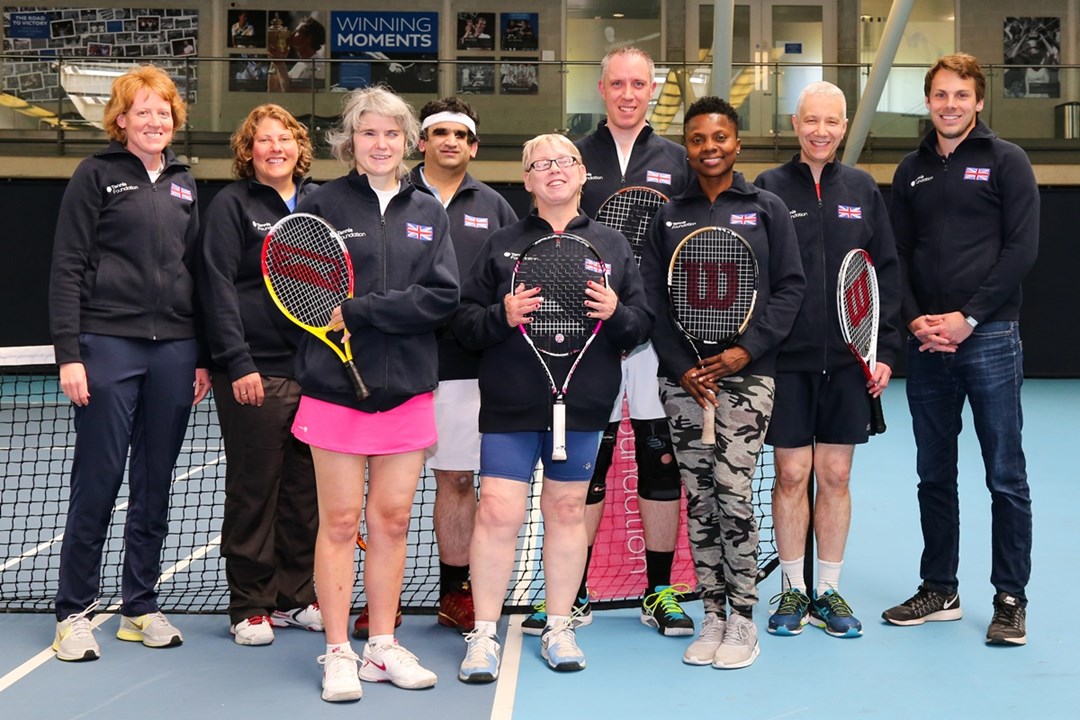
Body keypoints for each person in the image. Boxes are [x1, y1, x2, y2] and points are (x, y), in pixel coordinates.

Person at [455, 134, 653, 682]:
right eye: (539, 164)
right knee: (497, 510)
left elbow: (638, 328)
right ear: (527, 180)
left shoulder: (612, 246)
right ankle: (485, 634)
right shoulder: (500, 245)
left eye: (564, 161)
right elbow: (465, 324)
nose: (554, 170)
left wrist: (616, 311)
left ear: (582, 172)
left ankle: (560, 625)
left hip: (583, 405)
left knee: (567, 512)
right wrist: (503, 314)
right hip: (511, 404)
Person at [292, 86, 458, 702]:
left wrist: (359, 311)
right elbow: (302, 293)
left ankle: (382, 645)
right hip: (336, 388)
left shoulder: (429, 209)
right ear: (350, 141)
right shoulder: (321, 205)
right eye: (369, 134)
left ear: (408, 142)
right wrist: (338, 315)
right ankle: (338, 650)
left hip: (407, 390)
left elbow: (441, 297)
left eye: (391, 134)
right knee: (338, 523)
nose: (380, 144)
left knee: (390, 521)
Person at [520, 45, 692, 638]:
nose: (627, 93)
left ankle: (662, 589)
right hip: (577, 342)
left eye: (638, 83)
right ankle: (577, 592)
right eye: (616, 82)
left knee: (657, 459)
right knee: (583, 471)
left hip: (652, 336)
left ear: (652, 89)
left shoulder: (677, 158)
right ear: (601, 88)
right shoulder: (573, 156)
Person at [48, 65, 209, 662]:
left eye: (164, 112)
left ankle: (138, 605)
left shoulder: (188, 184)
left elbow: (198, 276)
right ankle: (73, 612)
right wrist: (70, 353)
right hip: (106, 343)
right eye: (143, 111)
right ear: (121, 120)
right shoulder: (94, 175)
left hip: (176, 348)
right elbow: (67, 265)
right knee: (100, 476)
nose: (155, 120)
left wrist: (202, 358)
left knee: (155, 480)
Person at [639, 96, 805, 669]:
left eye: (719, 138)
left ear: (738, 143)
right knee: (701, 498)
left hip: (747, 378)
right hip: (684, 381)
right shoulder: (669, 216)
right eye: (697, 139)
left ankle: (743, 619)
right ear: (686, 147)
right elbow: (653, 303)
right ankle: (712, 609)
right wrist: (682, 364)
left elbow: (789, 289)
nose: (709, 148)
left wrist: (744, 350)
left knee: (734, 495)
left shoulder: (766, 209)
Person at [882, 53, 1038, 646]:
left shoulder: (1008, 161)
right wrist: (917, 320)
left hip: (990, 338)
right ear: (928, 101)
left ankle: (1010, 598)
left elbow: (1020, 250)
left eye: (961, 95)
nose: (950, 105)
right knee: (933, 473)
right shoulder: (911, 170)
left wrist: (969, 318)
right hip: (927, 347)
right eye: (940, 95)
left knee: (1005, 475)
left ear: (978, 102)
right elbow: (896, 252)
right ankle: (940, 588)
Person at [351, 97, 517, 640]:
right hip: (384, 365)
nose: (450, 142)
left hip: (463, 369)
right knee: (378, 492)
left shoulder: (494, 208)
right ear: (419, 142)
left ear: (474, 146)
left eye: (461, 135)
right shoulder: (388, 195)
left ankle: (455, 593)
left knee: (455, 480)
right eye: (438, 132)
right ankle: (383, 603)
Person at [753, 81, 901, 639]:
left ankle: (830, 591)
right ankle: (793, 588)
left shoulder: (862, 189)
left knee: (835, 474)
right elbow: (757, 276)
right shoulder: (767, 188)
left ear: (844, 127)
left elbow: (884, 270)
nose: (821, 131)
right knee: (791, 473)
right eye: (811, 120)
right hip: (785, 362)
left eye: (832, 122)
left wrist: (882, 349)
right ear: (795, 123)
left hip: (846, 363)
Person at [198, 104, 322, 646]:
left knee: (305, 491)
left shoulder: (320, 203)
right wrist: (238, 361)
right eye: (263, 141)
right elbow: (217, 287)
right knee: (255, 489)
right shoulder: (231, 205)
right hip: (254, 373)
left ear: (299, 148)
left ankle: (295, 597)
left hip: (315, 374)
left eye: (285, 139)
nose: (275, 148)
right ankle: (250, 603)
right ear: (248, 152)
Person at [268, 16, 325, 92]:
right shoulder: (300, 64)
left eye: (297, 32)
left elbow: (294, 94)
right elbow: (274, 89)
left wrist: (280, 63)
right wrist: (274, 61)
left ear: (308, 38)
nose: (292, 34)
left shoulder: (318, 65)